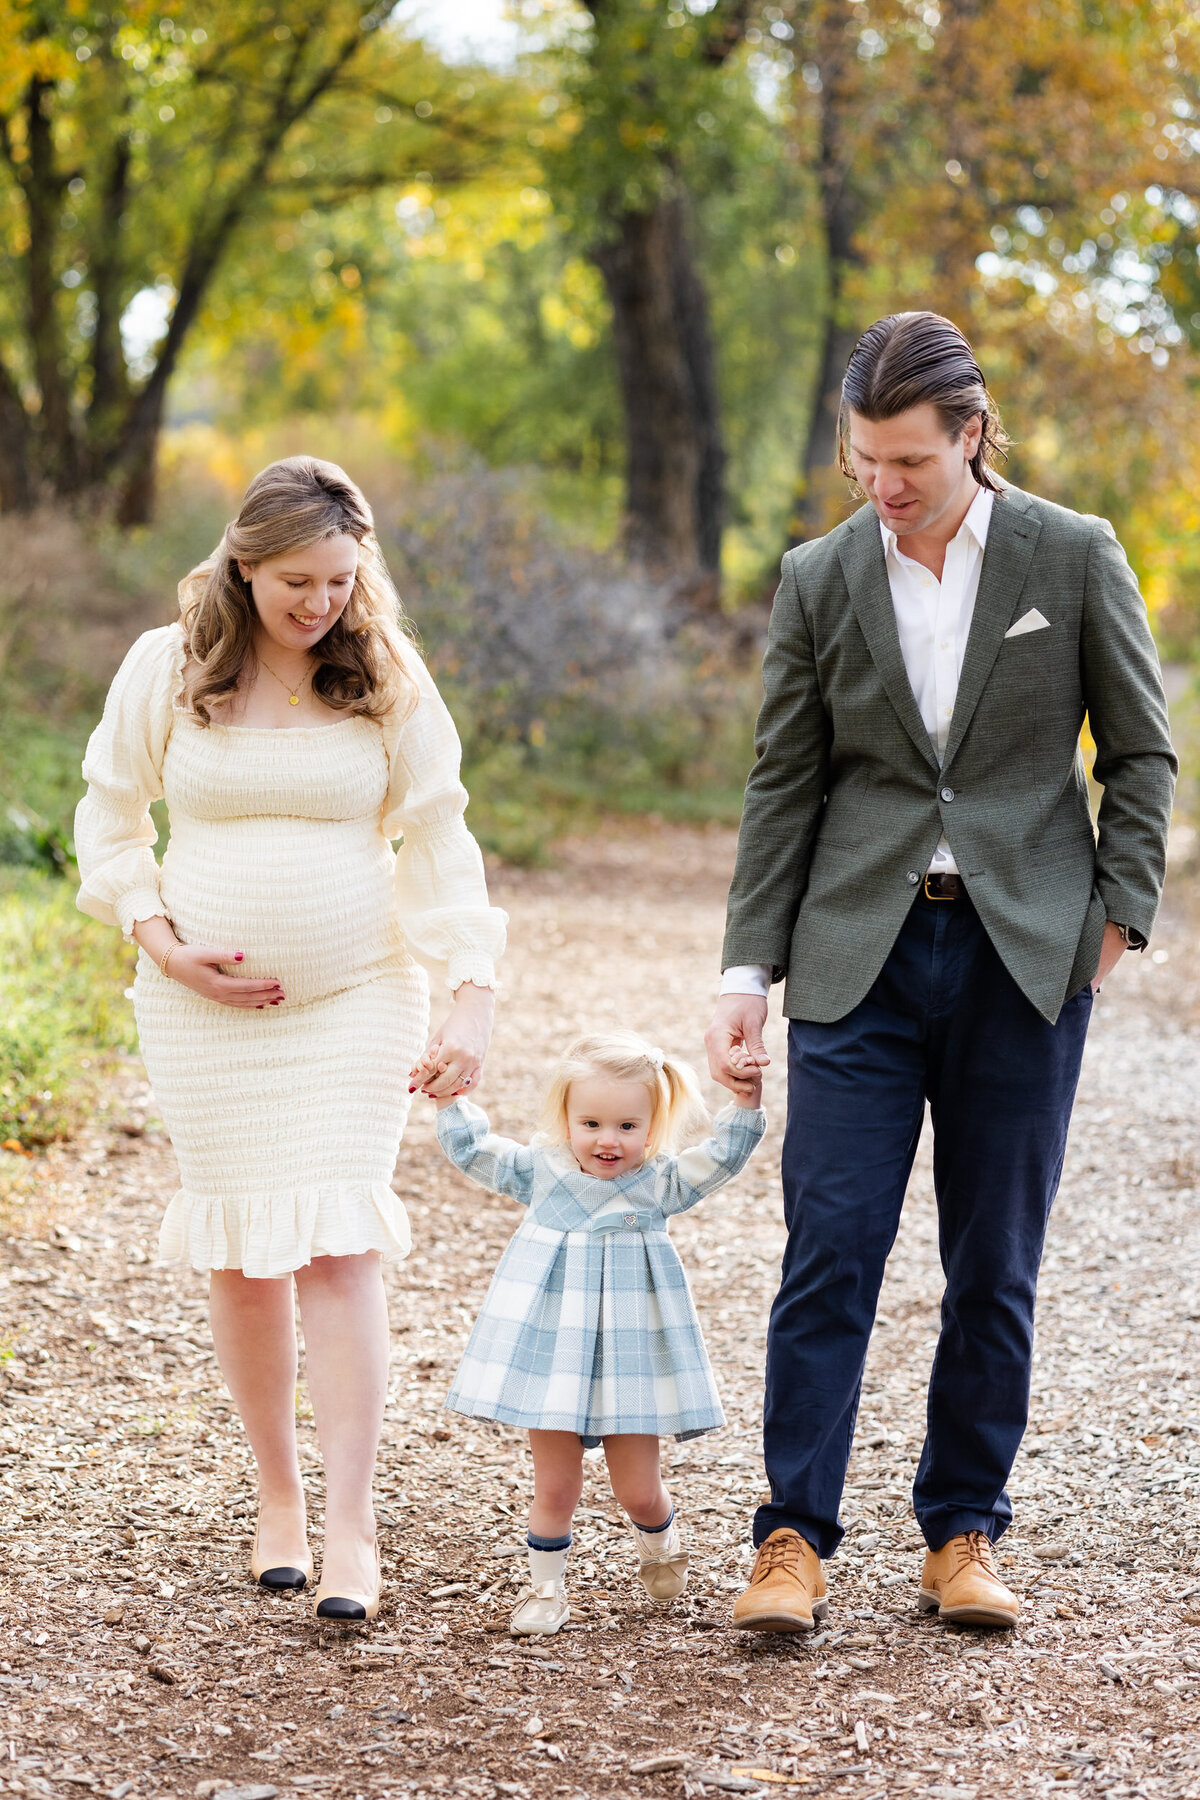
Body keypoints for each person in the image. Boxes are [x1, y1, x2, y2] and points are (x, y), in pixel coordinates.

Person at [706, 312, 1176, 1633]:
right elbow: (784, 780)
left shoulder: (1071, 555)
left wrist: (1117, 920)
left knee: (994, 1263)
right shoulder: (818, 576)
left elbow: (1139, 757)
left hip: (1025, 958)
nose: (884, 485)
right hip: (856, 956)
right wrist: (747, 969)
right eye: (863, 459)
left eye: (908, 459)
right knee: (830, 1252)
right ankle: (791, 1537)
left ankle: (963, 1532)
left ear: (972, 433)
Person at [74, 456, 506, 1622]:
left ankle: (355, 1522)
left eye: (340, 582)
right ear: (243, 565)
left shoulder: (383, 673)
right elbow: (109, 815)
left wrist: (471, 988)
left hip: (356, 995)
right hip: (200, 1013)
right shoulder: (169, 668)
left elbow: (438, 835)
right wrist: (161, 942)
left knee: (338, 1247)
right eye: (296, 584)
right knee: (242, 1253)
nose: (320, 605)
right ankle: (277, 1497)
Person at [420, 1030, 765, 1635]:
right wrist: (450, 1101)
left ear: (654, 1126)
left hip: (629, 1355)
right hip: (555, 1353)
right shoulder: (542, 1171)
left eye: (628, 1126)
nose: (609, 1140)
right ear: (565, 1119)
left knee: (637, 1490)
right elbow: (479, 1152)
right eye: (592, 1123)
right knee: (554, 1487)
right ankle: (546, 1590)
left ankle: (659, 1540)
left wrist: (745, 1102)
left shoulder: (660, 1181)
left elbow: (720, 1159)